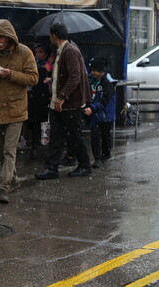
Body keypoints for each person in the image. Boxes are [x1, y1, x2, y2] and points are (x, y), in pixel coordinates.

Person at [0, 19, 38, 204]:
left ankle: (3, 187)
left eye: (1, 36)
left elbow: (33, 78)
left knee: (10, 150)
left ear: (9, 37)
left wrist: (9, 74)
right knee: (2, 150)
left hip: (16, 109)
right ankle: (14, 179)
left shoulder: (24, 52)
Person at [34, 23, 92, 180]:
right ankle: (51, 168)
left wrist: (61, 96)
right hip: (58, 103)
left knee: (74, 136)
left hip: (69, 104)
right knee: (56, 136)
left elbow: (75, 76)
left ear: (54, 35)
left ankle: (85, 165)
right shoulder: (61, 51)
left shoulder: (70, 51)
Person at [83, 57, 116, 168]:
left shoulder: (108, 83)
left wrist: (92, 108)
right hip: (95, 114)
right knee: (95, 136)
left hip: (105, 115)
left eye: (95, 70)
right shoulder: (90, 80)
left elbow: (104, 100)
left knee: (106, 136)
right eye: (91, 70)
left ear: (102, 71)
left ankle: (106, 154)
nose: (93, 73)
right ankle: (97, 158)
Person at [27, 43, 52, 159]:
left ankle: (47, 145)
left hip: (46, 96)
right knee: (35, 122)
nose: (38, 54)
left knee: (46, 121)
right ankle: (34, 146)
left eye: (41, 52)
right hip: (35, 95)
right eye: (36, 52)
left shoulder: (50, 63)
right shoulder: (33, 63)